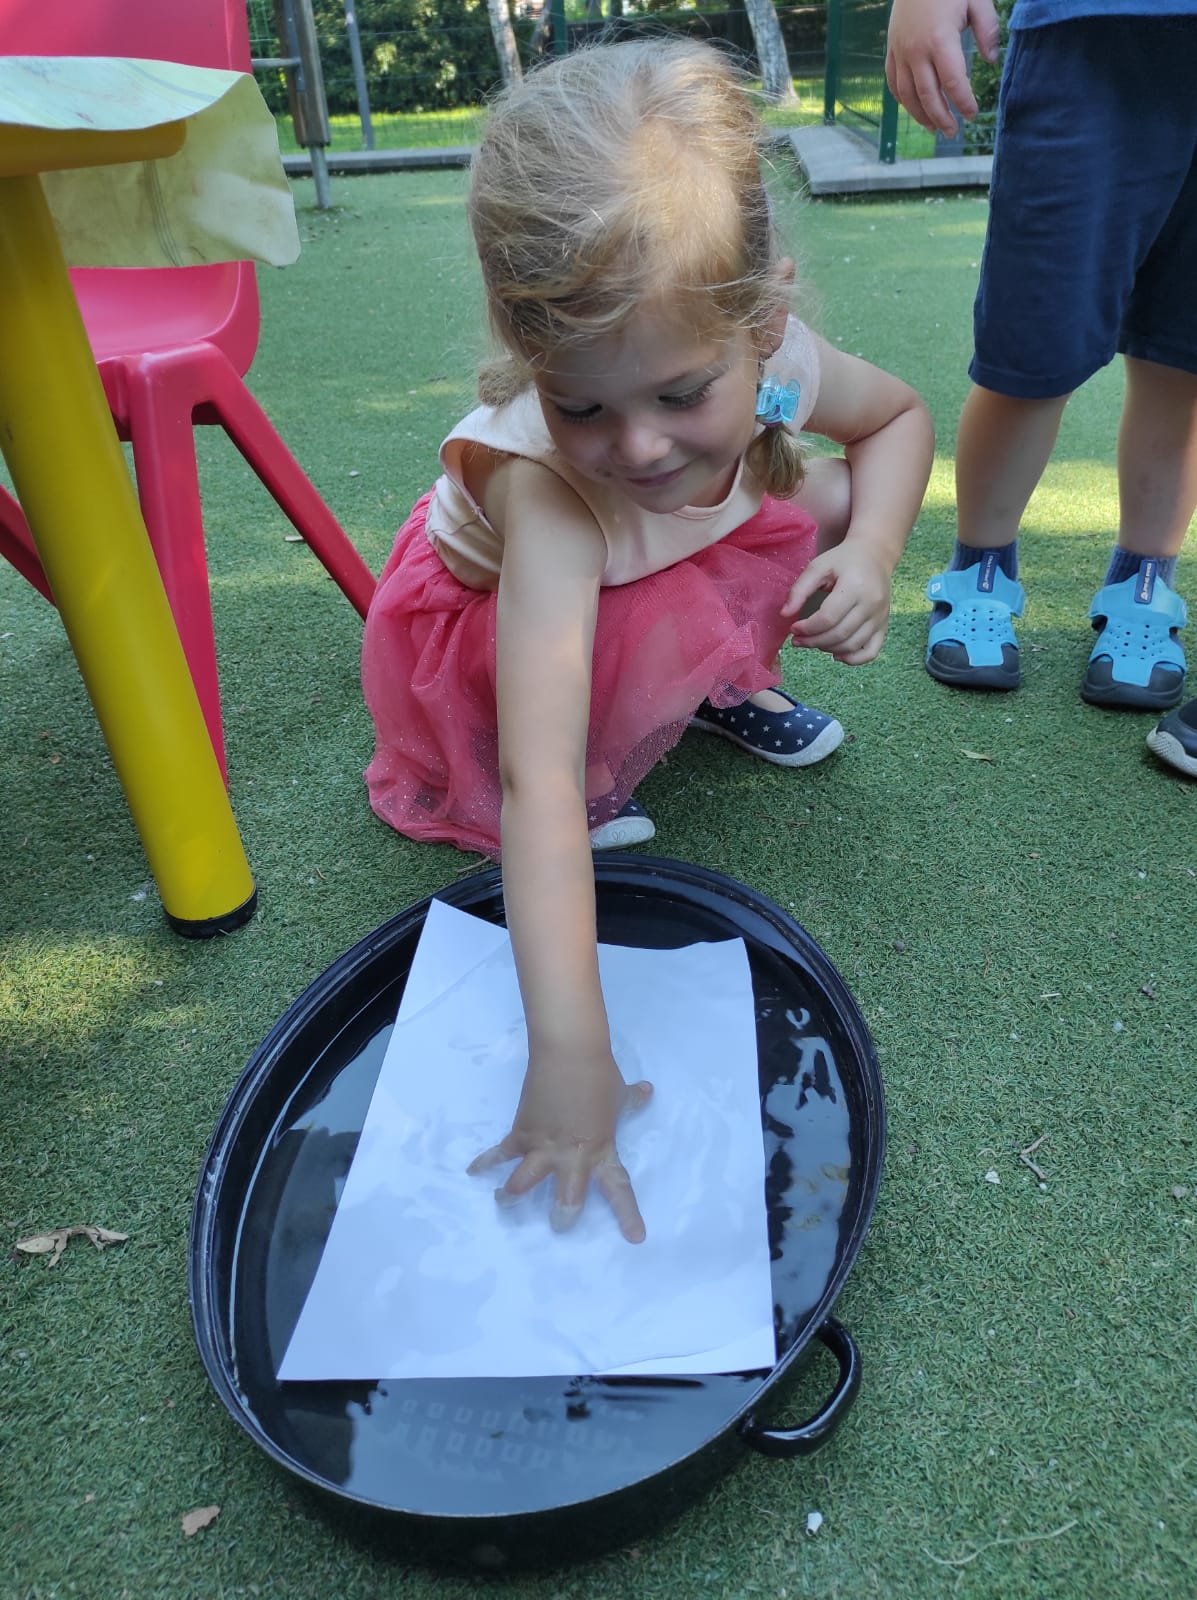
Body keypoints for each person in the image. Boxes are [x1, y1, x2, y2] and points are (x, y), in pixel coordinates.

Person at [361, 39, 934, 1240]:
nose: (637, 445)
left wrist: (874, 555)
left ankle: (706, 682)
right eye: (580, 403)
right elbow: (536, 778)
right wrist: (571, 1051)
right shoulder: (552, 489)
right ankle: (648, 713)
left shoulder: (773, 364)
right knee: (580, 727)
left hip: (659, 561)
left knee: (819, 507)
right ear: (533, 360)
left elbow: (897, 421)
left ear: (764, 320)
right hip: (506, 620)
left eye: (680, 394)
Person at [885, 0, 1197, 773]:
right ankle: (979, 571)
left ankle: (1143, 584)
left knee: (1183, 356)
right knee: (1028, 351)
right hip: (1090, 38)